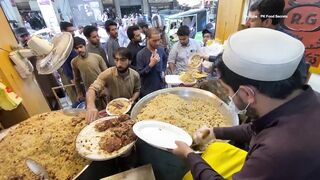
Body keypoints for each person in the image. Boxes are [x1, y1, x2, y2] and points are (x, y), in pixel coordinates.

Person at [172, 28, 320, 179]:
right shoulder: (307, 99)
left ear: (247, 93)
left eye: (227, 90)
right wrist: (215, 132)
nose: (229, 96)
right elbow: (256, 128)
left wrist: (189, 155)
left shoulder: (276, 151)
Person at [246, 0, 308, 81]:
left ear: (267, 22)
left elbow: (299, 80)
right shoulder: (254, 36)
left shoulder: (292, 45)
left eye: (252, 20)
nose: (247, 23)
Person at [85, 47, 141, 122]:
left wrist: (132, 99)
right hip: (113, 112)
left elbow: (137, 90)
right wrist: (90, 106)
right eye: (116, 60)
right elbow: (92, 89)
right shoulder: (107, 74)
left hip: (129, 110)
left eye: (123, 60)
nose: (119, 64)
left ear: (130, 61)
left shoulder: (135, 75)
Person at [14, 27, 63, 110]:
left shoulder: (37, 43)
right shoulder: (19, 50)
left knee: (55, 94)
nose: (25, 38)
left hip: (48, 73)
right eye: (22, 36)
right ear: (17, 37)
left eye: (27, 35)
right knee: (46, 98)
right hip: (36, 77)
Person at [71, 37, 107, 110]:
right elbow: (77, 79)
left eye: (81, 47)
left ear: (85, 45)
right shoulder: (74, 62)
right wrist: (79, 93)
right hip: (90, 92)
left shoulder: (97, 57)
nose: (79, 50)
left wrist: (106, 88)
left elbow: (107, 74)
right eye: (76, 48)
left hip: (102, 90)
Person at [136, 28, 167, 98]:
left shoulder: (160, 50)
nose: (157, 43)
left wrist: (163, 70)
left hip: (160, 86)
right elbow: (139, 74)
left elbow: (165, 59)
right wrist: (150, 65)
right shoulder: (141, 54)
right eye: (154, 41)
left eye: (159, 40)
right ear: (148, 39)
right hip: (148, 90)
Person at [59, 21, 78, 105]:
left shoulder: (71, 42)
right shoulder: (63, 45)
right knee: (77, 99)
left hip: (75, 74)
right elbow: (65, 63)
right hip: (69, 77)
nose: (73, 33)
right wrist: (71, 78)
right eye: (70, 31)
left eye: (73, 31)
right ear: (63, 32)